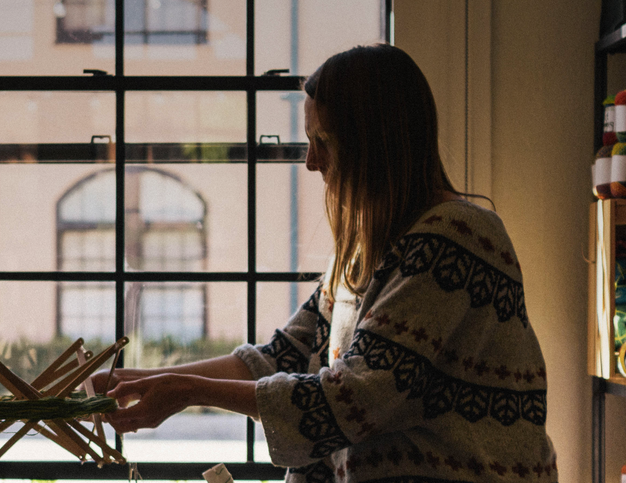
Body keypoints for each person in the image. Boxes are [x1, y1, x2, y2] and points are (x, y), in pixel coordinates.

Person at [89, 44, 557, 482]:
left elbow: (353, 398)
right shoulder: (368, 249)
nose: (311, 162)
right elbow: (281, 356)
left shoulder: (454, 237)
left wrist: (188, 390)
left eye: (324, 141)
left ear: (376, 144)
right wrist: (145, 380)